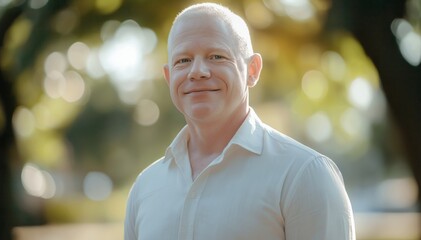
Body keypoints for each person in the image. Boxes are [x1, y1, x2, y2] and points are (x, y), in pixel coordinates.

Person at [124, 2, 356, 240]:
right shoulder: (145, 187)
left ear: (252, 70)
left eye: (216, 56)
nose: (198, 71)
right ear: (168, 76)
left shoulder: (304, 176)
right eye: (183, 60)